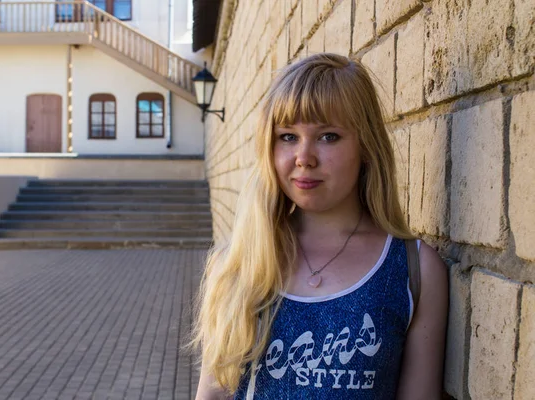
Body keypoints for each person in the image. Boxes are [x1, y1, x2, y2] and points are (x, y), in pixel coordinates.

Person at [192, 53, 448, 399]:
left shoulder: (413, 270)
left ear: (366, 146)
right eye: (287, 137)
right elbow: (214, 393)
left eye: (328, 136)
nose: (304, 157)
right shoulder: (237, 263)